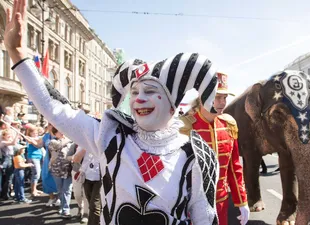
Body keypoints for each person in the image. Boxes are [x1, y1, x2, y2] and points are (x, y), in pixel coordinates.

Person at [4, 2, 220, 224]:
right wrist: (17, 53)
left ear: (173, 106)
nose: (139, 98)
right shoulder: (111, 136)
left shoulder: (196, 154)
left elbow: (204, 214)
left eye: (150, 91)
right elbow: (56, 108)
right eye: (134, 91)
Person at [180, 72, 250, 225]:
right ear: (202, 97)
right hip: (192, 207)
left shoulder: (229, 125)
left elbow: (234, 168)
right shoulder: (185, 126)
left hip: (221, 203)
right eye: (217, 97)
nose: (222, 102)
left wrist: (242, 201)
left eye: (224, 98)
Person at [48, 127, 74, 218]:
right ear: (55, 133)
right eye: (60, 131)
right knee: (60, 190)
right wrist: (71, 138)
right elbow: (59, 145)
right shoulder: (52, 142)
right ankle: (62, 207)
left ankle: (65, 210)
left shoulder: (71, 142)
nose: (62, 132)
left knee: (67, 190)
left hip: (69, 170)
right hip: (57, 170)